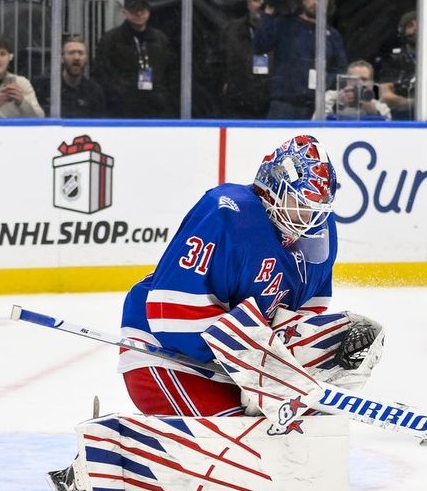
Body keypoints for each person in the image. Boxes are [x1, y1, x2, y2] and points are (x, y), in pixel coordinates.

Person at [115, 134, 346, 416]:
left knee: (297, 430)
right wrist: (254, 365)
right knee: (244, 440)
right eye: (301, 203)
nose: (309, 218)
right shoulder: (227, 212)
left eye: (317, 208)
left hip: (242, 370)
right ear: (273, 186)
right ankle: (112, 448)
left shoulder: (317, 232)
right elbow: (172, 315)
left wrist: (314, 350)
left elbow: (306, 315)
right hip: (166, 354)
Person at [254, 0, 348, 119]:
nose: (317, 3)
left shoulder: (332, 35)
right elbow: (260, 45)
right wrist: (268, 12)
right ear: (303, 0)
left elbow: (341, 70)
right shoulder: (284, 24)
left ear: (329, 3)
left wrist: (324, 80)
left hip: (318, 105)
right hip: (285, 103)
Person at [93, 0, 178, 118]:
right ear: (124, 12)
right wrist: (119, 93)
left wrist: (163, 95)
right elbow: (102, 72)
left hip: (156, 108)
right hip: (122, 109)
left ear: (149, 11)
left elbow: (171, 71)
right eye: (134, 9)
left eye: (142, 9)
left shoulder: (161, 39)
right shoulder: (111, 39)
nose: (139, 13)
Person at [375, 11, 427, 120]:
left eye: (420, 24)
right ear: (402, 31)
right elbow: (385, 97)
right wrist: (415, 102)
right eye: (410, 25)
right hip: (399, 124)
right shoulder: (393, 60)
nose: (416, 29)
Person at [214, 0, 272, 119]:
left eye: (265, 0)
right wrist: (224, 84)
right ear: (248, 4)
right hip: (238, 104)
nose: (261, 5)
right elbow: (216, 62)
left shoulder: (282, 31)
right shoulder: (230, 30)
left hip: (272, 104)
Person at [32, 36, 106, 118]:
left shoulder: (94, 92)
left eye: (81, 53)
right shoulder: (41, 86)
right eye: (71, 53)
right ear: (62, 58)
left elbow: (98, 127)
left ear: (86, 59)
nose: (76, 58)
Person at [0, 33, 45, 118]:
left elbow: (40, 118)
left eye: (3, 54)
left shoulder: (21, 82)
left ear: (9, 58)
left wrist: (22, 102)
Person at [323, 59, 391, 120]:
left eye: (364, 79)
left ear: (372, 83)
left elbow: (389, 130)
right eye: (355, 79)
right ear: (347, 81)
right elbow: (317, 126)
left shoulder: (380, 107)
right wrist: (338, 106)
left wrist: (375, 114)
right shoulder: (331, 98)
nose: (360, 83)